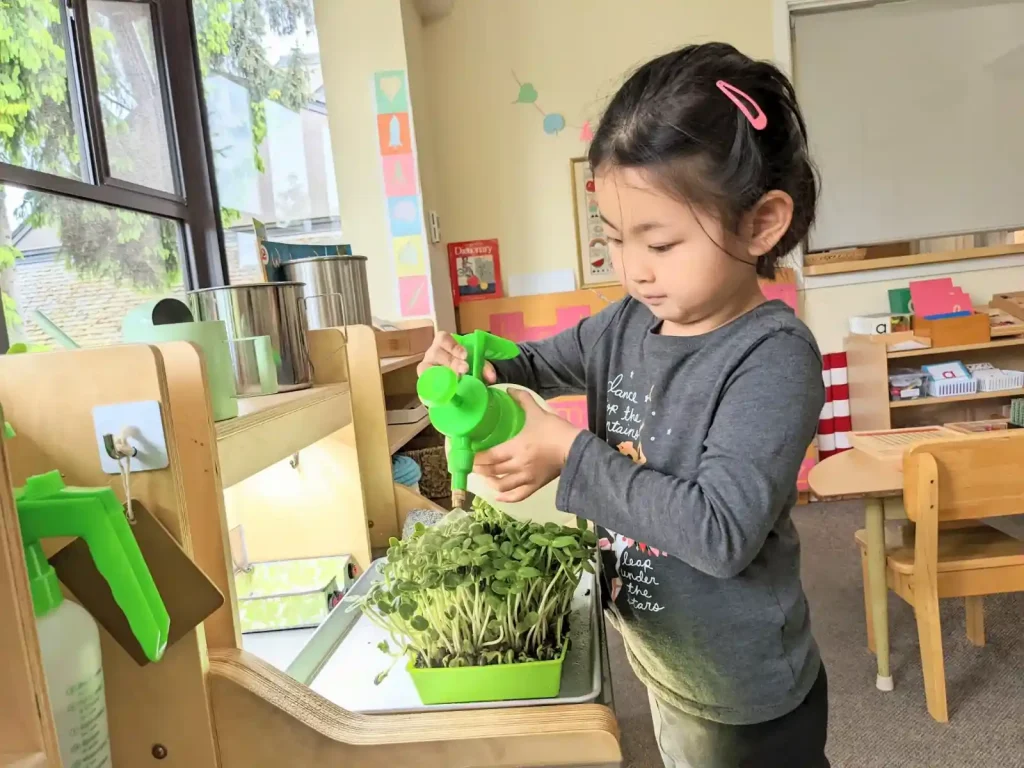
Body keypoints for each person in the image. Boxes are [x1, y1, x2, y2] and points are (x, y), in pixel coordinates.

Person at [417, 42, 827, 768]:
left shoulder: (771, 359)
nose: (634, 270)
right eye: (614, 242)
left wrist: (567, 453)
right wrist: (472, 363)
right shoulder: (628, 322)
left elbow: (719, 532)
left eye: (661, 242)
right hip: (667, 663)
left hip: (746, 697)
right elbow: (536, 363)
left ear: (761, 224)